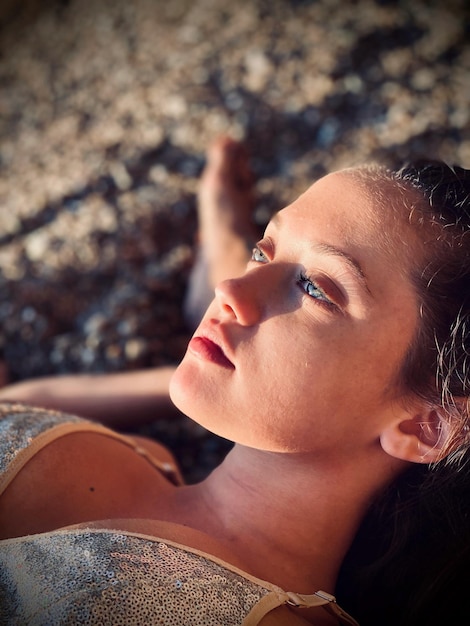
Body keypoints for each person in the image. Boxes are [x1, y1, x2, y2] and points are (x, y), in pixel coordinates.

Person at [0, 136, 469, 626]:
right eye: (262, 251)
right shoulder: (146, 460)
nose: (231, 290)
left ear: (426, 425)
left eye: (315, 288)